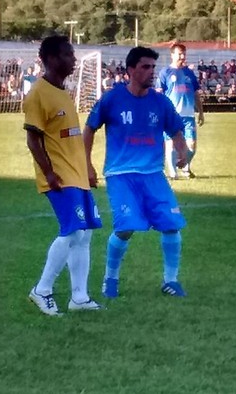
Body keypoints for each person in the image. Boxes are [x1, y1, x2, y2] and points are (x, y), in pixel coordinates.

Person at [83, 46, 190, 299]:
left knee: (171, 225)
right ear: (131, 70)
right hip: (120, 175)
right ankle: (110, 279)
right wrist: (87, 164)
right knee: (126, 228)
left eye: (153, 67)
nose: (151, 71)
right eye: (145, 67)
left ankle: (171, 281)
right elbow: (89, 128)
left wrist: (182, 150)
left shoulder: (160, 101)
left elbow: (175, 129)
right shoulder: (112, 99)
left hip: (153, 174)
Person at [24, 35, 103, 316]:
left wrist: (86, 168)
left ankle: (79, 297)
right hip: (59, 177)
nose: (74, 59)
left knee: (84, 234)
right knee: (72, 231)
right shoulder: (38, 94)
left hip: (76, 175)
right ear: (52, 59)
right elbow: (33, 140)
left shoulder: (63, 92)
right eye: (69, 55)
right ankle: (42, 290)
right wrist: (49, 173)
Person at [156, 43, 204, 180]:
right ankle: (173, 173)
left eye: (184, 54)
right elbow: (158, 93)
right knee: (170, 144)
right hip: (172, 116)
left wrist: (201, 112)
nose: (182, 57)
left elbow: (196, 94)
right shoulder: (165, 72)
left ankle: (184, 166)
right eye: (180, 54)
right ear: (172, 55)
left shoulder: (189, 73)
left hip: (188, 116)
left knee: (192, 145)